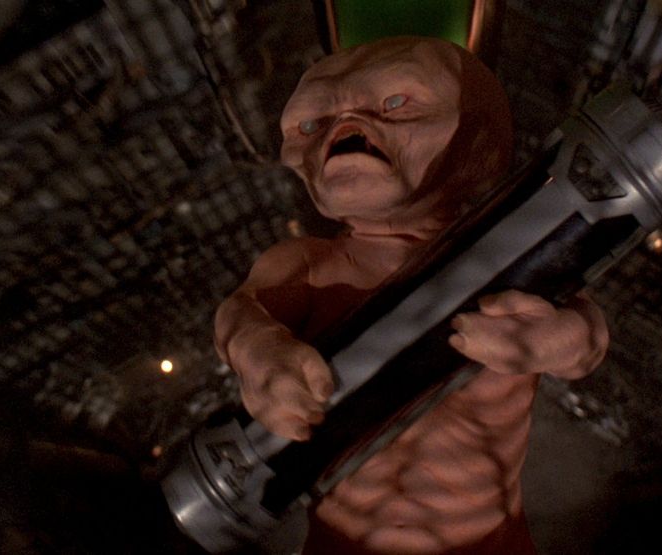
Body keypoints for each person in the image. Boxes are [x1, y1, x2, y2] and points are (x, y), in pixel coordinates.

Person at [214, 36, 609, 555]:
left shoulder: (511, 251)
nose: (344, 130)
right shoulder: (308, 263)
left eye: (395, 103)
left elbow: (586, 334)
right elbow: (242, 314)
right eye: (312, 124)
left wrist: (564, 338)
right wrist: (258, 352)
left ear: (476, 138)